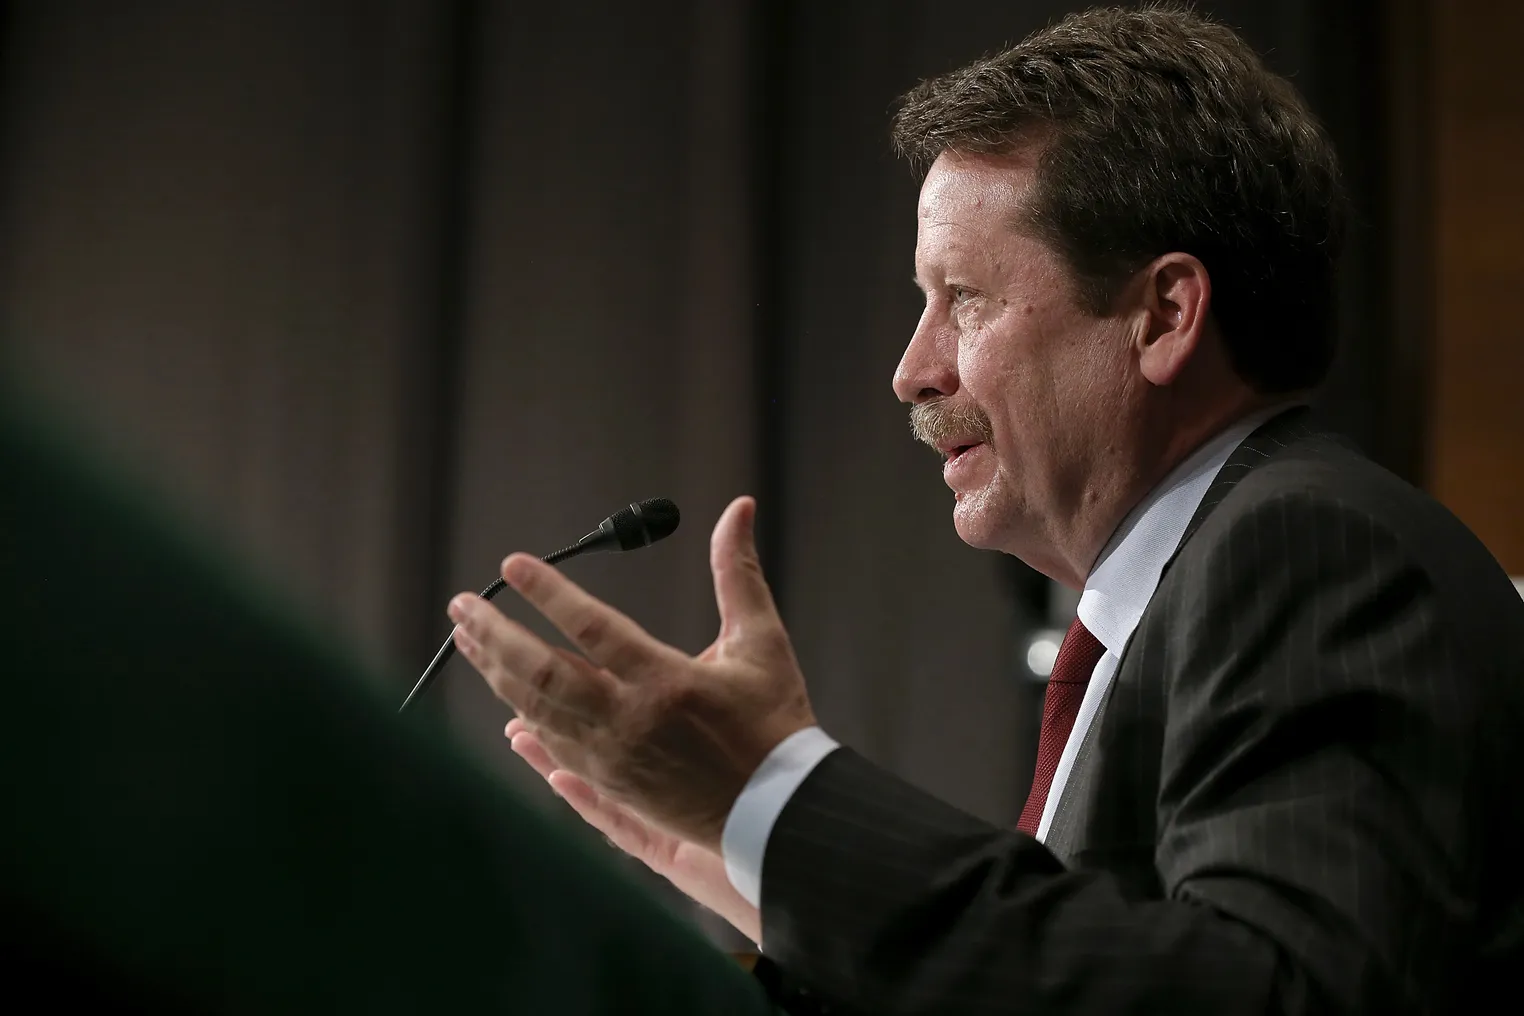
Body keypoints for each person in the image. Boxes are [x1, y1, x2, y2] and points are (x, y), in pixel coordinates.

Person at [446, 6, 1524, 1013]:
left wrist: (782, 798)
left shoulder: (1305, 553)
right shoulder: (1182, 598)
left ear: (1163, 313)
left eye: (964, 299)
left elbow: (1270, 992)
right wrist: (774, 889)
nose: (913, 369)